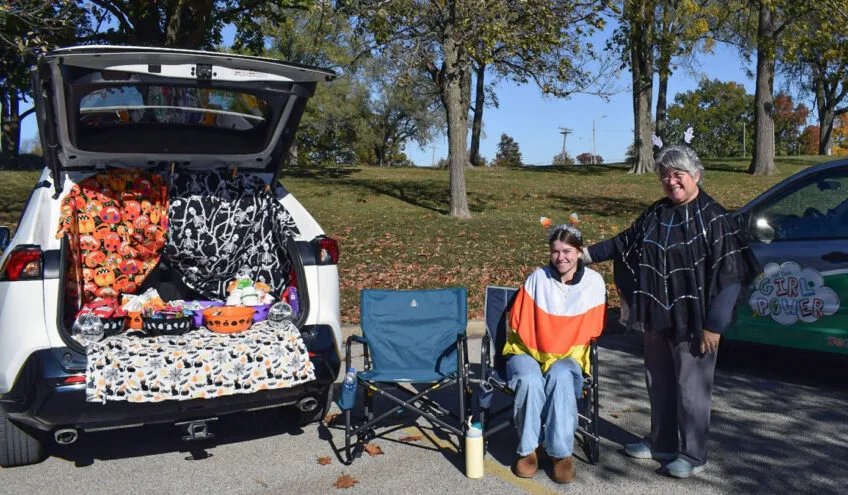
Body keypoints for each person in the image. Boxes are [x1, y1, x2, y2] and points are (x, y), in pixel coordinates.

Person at [582, 144, 759, 478]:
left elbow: (731, 275)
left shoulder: (716, 219)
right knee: (658, 383)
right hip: (656, 317)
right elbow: (624, 243)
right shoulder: (656, 213)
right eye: (665, 175)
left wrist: (715, 325)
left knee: (691, 392)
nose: (671, 181)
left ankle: (693, 454)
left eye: (677, 174)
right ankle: (660, 442)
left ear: (695, 175)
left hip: (695, 324)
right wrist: (584, 255)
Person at [502, 223, 607, 483]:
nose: (561, 257)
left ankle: (561, 453)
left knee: (560, 377)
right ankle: (529, 449)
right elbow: (519, 322)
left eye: (568, 251)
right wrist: (543, 347)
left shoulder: (594, 283)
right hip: (527, 350)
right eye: (556, 251)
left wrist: (558, 348)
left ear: (580, 252)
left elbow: (592, 330)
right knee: (530, 379)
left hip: (569, 355)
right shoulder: (538, 278)